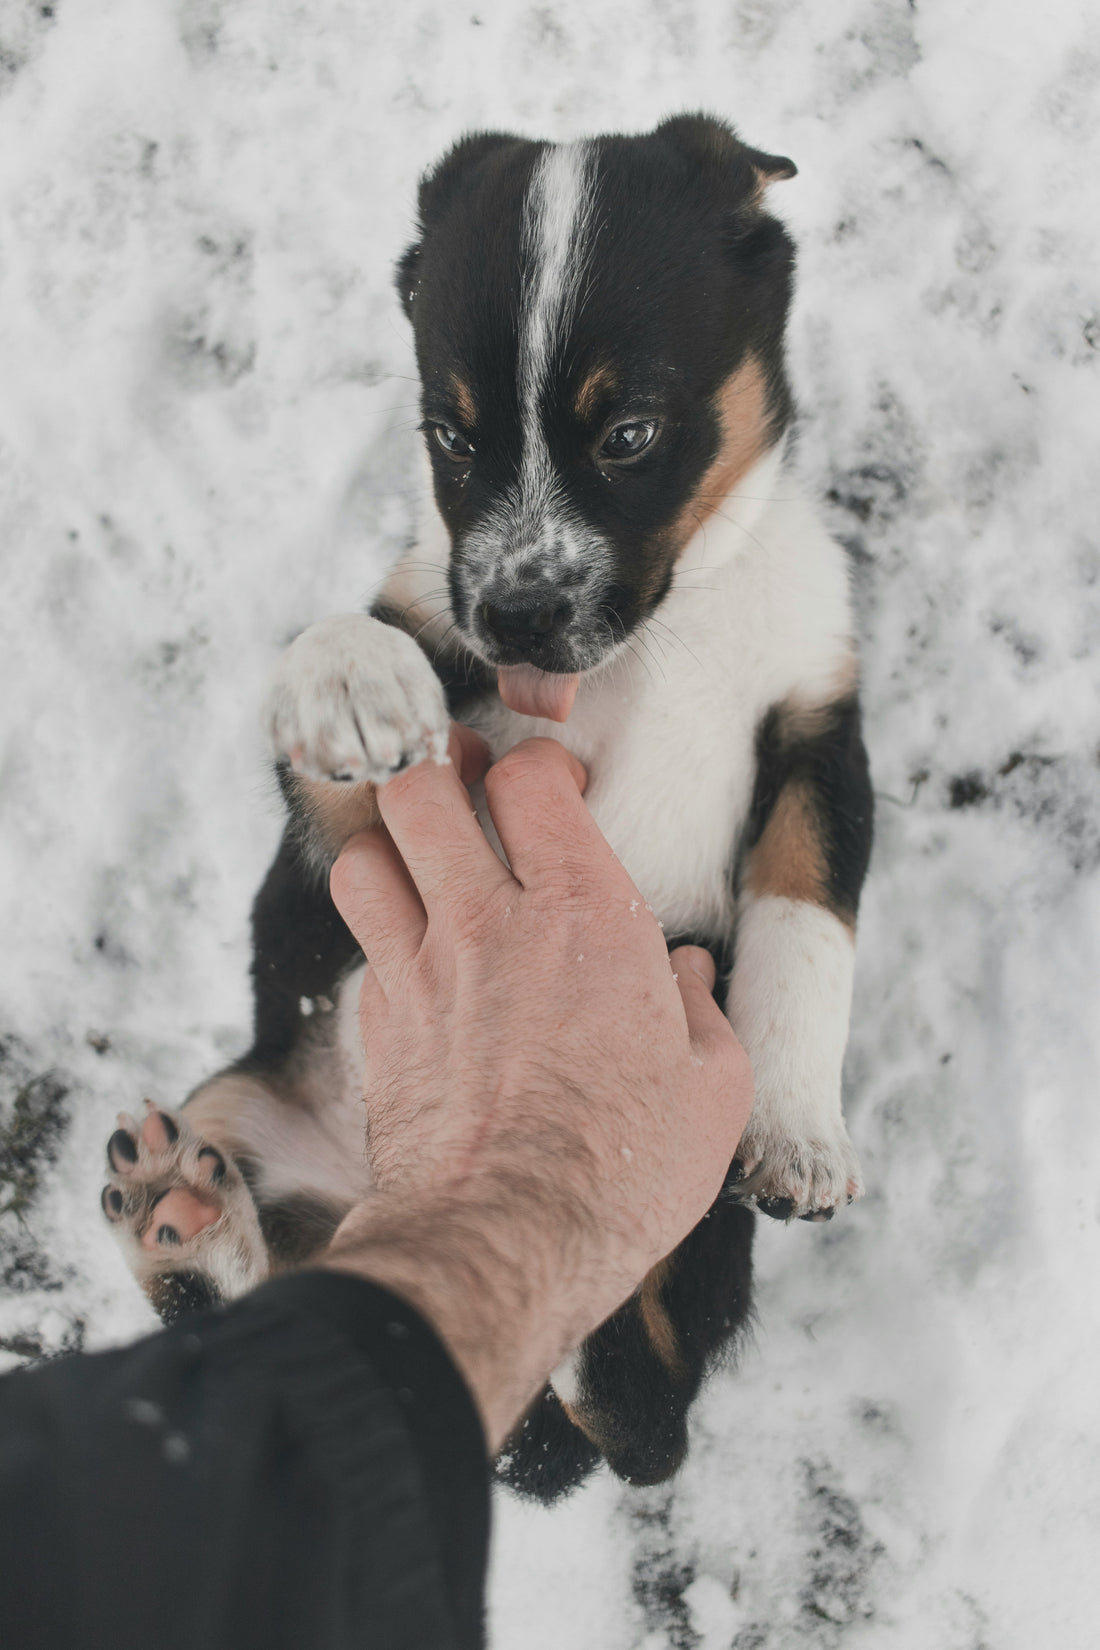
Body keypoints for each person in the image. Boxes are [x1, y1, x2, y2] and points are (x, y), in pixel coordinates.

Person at [0, 734, 753, 1650]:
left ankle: (259, 1300)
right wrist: (542, 1182)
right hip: (598, 1078)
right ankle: (613, 1384)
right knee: (581, 1425)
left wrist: (351, 728)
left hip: (324, 1069)